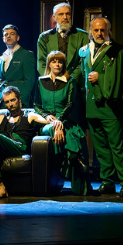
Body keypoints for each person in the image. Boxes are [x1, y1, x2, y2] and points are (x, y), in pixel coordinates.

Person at [79, 17, 123, 197]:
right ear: (91, 31)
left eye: (102, 30)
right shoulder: (85, 51)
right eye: (96, 30)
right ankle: (107, 181)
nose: (99, 33)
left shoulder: (118, 51)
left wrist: (102, 78)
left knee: (117, 146)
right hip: (92, 106)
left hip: (110, 107)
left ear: (108, 31)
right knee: (100, 148)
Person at [34, 51, 92, 195]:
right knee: (53, 129)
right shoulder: (41, 81)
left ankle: (73, 161)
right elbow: (37, 105)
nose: (57, 64)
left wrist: (59, 121)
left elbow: (70, 104)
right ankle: (74, 159)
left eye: (60, 62)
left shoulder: (70, 81)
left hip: (65, 119)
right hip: (47, 122)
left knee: (73, 133)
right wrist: (48, 117)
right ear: (49, 64)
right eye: (54, 61)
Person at [37, 2, 88, 125]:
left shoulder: (83, 36)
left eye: (68, 14)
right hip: (52, 89)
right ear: (54, 17)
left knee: (74, 125)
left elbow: (83, 62)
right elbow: (41, 63)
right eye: (61, 14)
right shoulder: (44, 38)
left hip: (75, 88)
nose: (65, 17)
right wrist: (52, 80)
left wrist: (68, 80)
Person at [0, 24, 35, 110]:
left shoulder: (26, 54)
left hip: (18, 100)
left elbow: (30, 80)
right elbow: (1, 80)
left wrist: (22, 100)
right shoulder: (1, 58)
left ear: (18, 37)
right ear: (3, 39)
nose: (8, 36)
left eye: (12, 34)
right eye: (6, 34)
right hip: (4, 101)